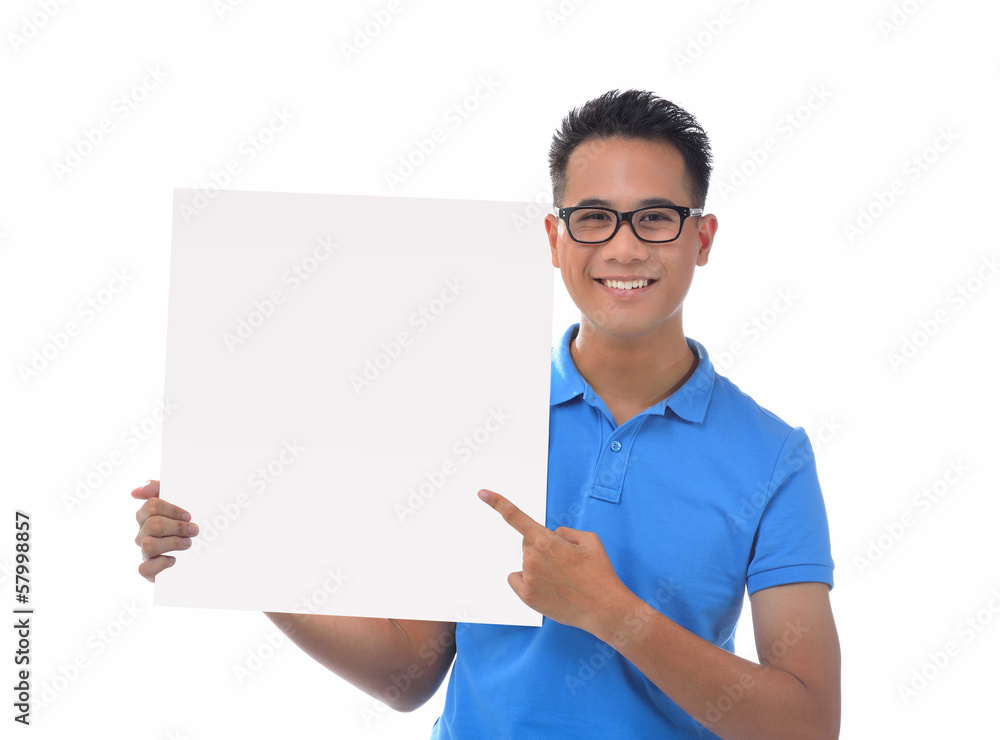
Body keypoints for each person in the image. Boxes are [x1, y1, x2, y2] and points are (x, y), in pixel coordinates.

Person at [133, 89, 840, 739]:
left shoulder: (773, 457)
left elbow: (807, 726)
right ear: (555, 238)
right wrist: (235, 548)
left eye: (655, 218)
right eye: (594, 218)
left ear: (702, 238)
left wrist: (611, 613)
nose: (624, 247)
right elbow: (407, 672)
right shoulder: (480, 409)